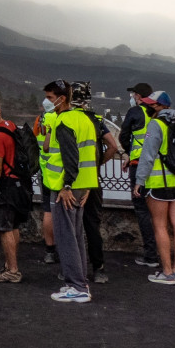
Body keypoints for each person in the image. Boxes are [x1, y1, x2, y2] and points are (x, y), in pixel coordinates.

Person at [42, 79, 97, 303]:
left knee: (66, 237)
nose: (47, 102)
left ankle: (77, 286)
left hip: (66, 188)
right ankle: (79, 282)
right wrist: (87, 186)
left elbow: (70, 158)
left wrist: (66, 186)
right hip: (82, 186)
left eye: (50, 98)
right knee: (75, 236)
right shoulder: (84, 119)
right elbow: (92, 155)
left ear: (62, 99)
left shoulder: (64, 121)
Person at [133, 91, 175, 286]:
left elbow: (147, 156)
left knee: (160, 226)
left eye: (151, 104)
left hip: (159, 183)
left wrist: (139, 181)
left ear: (159, 107)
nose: (148, 107)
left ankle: (167, 273)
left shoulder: (156, 125)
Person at [70, 82, 118, 285]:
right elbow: (113, 146)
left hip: (72, 181)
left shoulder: (68, 119)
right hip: (93, 180)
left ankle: (72, 269)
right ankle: (99, 269)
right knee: (92, 225)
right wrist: (97, 164)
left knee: (71, 226)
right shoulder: (97, 120)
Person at [0, 96, 31, 284]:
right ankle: (11, 265)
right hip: (19, 184)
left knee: (4, 229)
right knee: (14, 227)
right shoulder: (10, 126)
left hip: (6, 185)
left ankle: (12, 270)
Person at [120, 82, 161, 267]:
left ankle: (151, 255)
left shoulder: (136, 112)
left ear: (138, 96)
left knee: (142, 210)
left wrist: (128, 153)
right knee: (160, 213)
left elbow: (123, 136)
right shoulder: (159, 113)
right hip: (161, 169)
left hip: (139, 166)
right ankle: (165, 257)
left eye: (134, 94)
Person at [34, 99, 59, 263]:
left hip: (44, 169)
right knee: (62, 212)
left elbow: (36, 139)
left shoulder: (40, 120)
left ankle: (49, 250)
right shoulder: (59, 118)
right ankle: (63, 250)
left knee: (47, 210)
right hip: (59, 170)